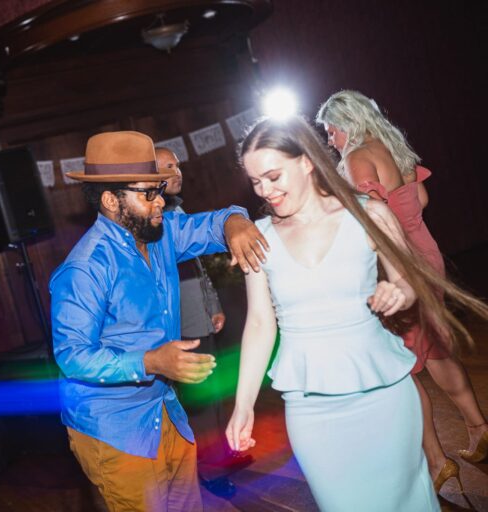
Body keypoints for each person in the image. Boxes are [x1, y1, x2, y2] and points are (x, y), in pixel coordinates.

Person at [227, 116, 488, 510]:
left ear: (307, 161)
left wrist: (398, 292)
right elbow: (261, 324)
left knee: (406, 502)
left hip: (383, 394)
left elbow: (409, 281)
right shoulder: (259, 238)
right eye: (256, 182)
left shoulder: (369, 214)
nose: (266, 190)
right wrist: (243, 404)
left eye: (273, 176)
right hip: (310, 406)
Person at [51, 131, 268, 511]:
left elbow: (212, 224)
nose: (161, 202)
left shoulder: (161, 235)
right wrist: (150, 362)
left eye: (160, 190)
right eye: (148, 193)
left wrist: (234, 221)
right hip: (115, 428)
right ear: (111, 200)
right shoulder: (86, 268)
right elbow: (73, 357)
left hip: (164, 409)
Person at [317, 90, 488, 480]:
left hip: (396, 269)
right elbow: (421, 199)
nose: (330, 140)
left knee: (402, 367)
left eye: (331, 131)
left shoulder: (356, 159)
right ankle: (479, 428)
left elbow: (370, 221)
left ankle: (436, 460)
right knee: (437, 349)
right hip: (427, 254)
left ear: (347, 125)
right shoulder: (393, 147)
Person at [157, 147, 251, 494]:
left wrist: (214, 305)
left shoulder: (177, 210)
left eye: (177, 164)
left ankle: (222, 456)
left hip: (201, 317)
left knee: (212, 394)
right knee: (199, 402)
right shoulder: (155, 219)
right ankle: (211, 472)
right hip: (182, 325)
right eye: (167, 166)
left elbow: (198, 268)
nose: (176, 171)